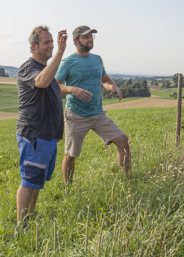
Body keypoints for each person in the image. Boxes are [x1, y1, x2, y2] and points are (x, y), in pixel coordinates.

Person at [55, 25, 130, 183]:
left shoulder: (97, 59)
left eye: (91, 36)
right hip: (76, 115)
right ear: (76, 41)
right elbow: (54, 87)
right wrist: (72, 89)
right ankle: (69, 189)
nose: (90, 39)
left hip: (97, 114)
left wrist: (114, 87)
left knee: (123, 141)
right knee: (70, 155)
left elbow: (105, 79)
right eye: (85, 37)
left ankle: (129, 180)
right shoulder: (68, 62)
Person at [15, 25, 67, 232]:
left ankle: (31, 215)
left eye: (52, 42)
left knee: (37, 180)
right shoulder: (29, 68)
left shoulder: (47, 69)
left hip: (47, 136)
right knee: (29, 180)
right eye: (47, 42)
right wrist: (61, 52)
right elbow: (42, 82)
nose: (51, 46)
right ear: (33, 46)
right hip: (34, 135)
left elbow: (52, 86)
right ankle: (21, 226)